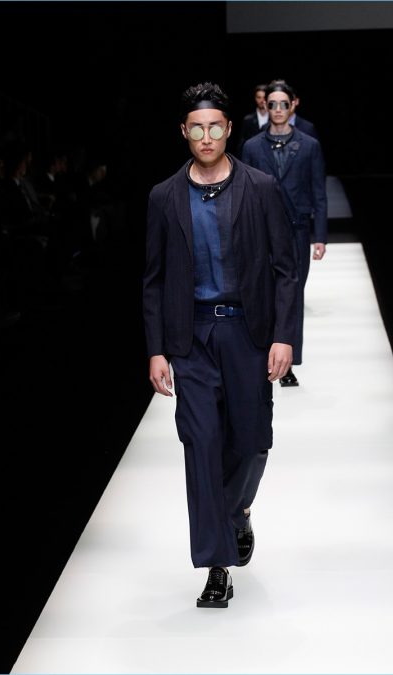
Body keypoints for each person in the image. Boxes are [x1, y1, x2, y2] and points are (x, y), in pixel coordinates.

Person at [143, 82, 298, 608]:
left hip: (247, 334)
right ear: (184, 132)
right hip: (192, 339)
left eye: (214, 126)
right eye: (196, 128)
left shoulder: (260, 188)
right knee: (201, 446)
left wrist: (284, 336)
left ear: (229, 129)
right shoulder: (164, 196)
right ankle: (217, 564)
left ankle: (237, 512)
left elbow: (284, 269)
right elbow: (154, 280)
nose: (206, 136)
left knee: (251, 442)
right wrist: (157, 349)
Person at [241, 79, 327, 386]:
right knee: (263, 294)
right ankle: (264, 354)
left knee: (292, 296)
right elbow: (243, 194)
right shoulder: (251, 147)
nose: (277, 109)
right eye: (272, 104)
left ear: (292, 106)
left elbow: (319, 193)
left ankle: (288, 363)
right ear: (265, 106)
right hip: (262, 233)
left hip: (297, 231)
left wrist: (320, 236)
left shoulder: (310, 145)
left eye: (283, 104)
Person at [236, 83, 269, 156]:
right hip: (252, 156)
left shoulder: (273, 119)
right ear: (255, 98)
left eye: (264, 97)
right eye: (259, 97)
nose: (262, 100)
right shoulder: (248, 120)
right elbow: (242, 143)